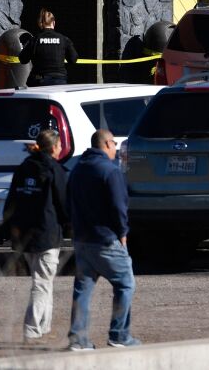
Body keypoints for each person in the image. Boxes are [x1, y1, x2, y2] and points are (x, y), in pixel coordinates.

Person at [65, 129, 139, 351]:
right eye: (114, 144)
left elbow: (68, 201)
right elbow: (119, 206)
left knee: (83, 288)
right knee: (125, 284)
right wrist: (123, 232)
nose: (116, 148)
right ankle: (119, 335)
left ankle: (78, 339)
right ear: (107, 143)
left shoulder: (78, 169)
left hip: (82, 238)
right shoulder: (109, 171)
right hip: (105, 238)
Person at [5, 128, 69, 343]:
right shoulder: (54, 169)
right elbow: (63, 204)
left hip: (25, 235)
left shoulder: (24, 168)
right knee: (41, 283)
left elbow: (11, 202)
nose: (61, 149)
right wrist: (71, 227)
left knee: (43, 280)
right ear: (54, 148)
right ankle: (32, 328)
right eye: (59, 145)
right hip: (47, 235)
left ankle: (44, 325)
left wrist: (10, 231)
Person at [25, 8, 78, 86]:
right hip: (60, 80)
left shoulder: (34, 40)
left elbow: (23, 59)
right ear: (54, 23)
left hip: (39, 80)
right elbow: (73, 59)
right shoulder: (64, 39)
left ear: (41, 24)